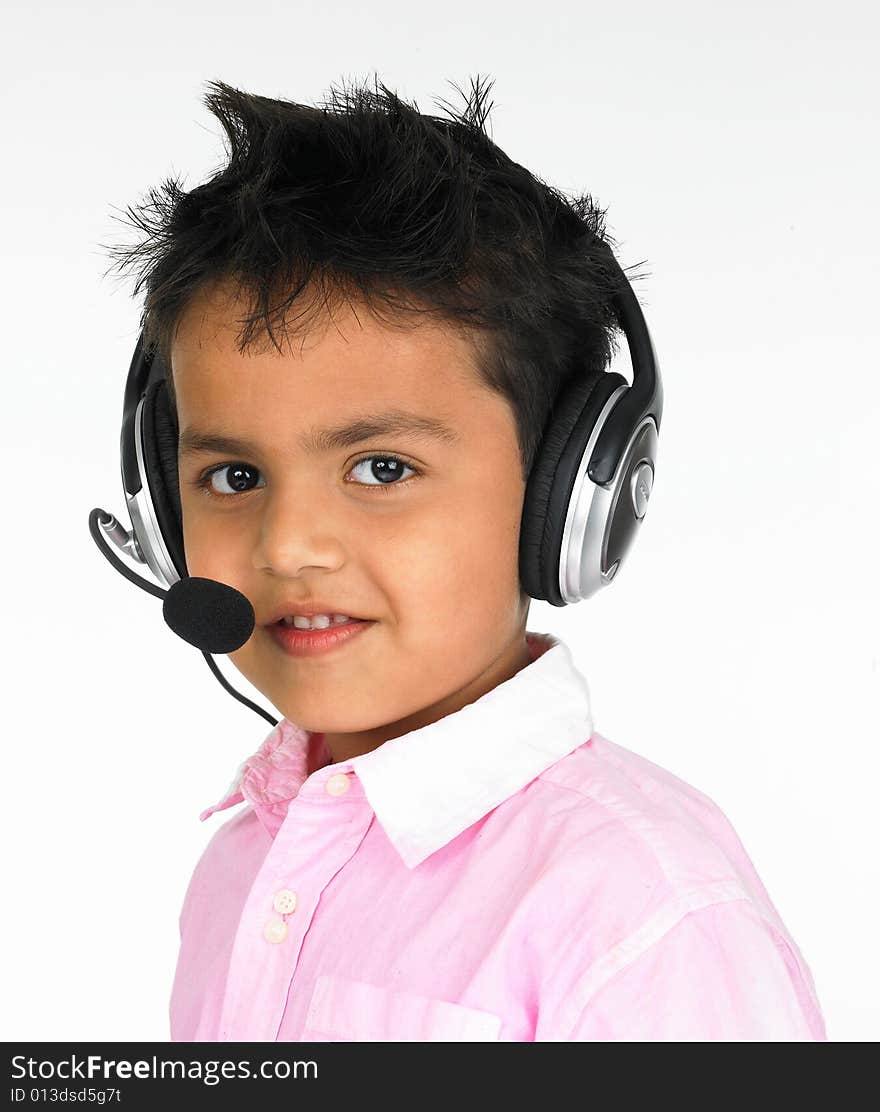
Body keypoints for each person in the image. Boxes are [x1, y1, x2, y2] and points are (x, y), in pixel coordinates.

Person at [103, 75, 826, 1041]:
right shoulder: (240, 866)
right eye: (233, 477)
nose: (290, 546)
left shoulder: (640, 913)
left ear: (568, 497)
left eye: (382, 467)